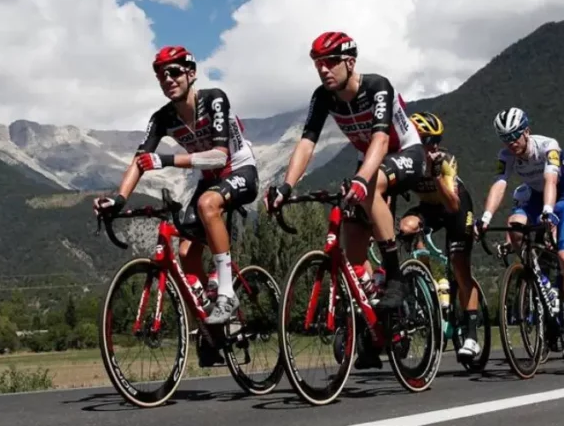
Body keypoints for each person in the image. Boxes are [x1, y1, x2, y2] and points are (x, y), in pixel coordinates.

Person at [92, 46, 259, 327]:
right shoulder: (162, 118)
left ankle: (228, 294)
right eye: (160, 74)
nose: (167, 78)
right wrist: (119, 200)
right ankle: (218, 322)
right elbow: (140, 161)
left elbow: (219, 156)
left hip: (239, 169)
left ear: (191, 74)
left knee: (208, 204)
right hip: (209, 180)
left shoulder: (214, 99)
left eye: (174, 72)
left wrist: (167, 159)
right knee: (185, 255)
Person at [265, 31, 426, 317]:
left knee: (370, 185)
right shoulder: (324, 97)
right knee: (352, 236)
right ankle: (369, 314)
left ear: (350, 62)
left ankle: (395, 278)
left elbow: (381, 140)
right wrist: (286, 187)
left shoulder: (377, 86)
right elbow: (306, 144)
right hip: (370, 161)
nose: (323, 69)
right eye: (318, 64)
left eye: (331, 62)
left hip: (405, 153)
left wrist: (363, 180)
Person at [475, 107, 564, 357]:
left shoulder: (549, 147)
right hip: (536, 198)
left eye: (515, 135)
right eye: (505, 138)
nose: (511, 142)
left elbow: (550, 180)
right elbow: (499, 184)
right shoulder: (506, 155)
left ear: (527, 131)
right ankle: (539, 278)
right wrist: (485, 217)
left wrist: (548, 210)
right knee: (514, 225)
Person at [398, 111, 481, 360]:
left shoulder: (444, 160)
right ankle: (422, 284)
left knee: (459, 266)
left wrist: (434, 177)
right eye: (427, 140)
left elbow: (453, 205)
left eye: (437, 139)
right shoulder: (405, 159)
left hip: (455, 205)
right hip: (429, 208)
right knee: (406, 227)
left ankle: (472, 336)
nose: (433, 146)